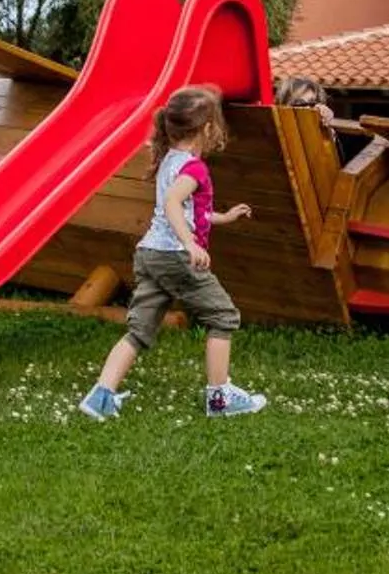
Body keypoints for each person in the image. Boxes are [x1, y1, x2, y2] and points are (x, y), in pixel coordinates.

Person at [78, 86, 267, 419]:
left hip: (150, 254)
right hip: (175, 256)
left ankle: (101, 397)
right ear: (207, 128)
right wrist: (191, 243)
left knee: (139, 330)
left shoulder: (170, 160)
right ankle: (220, 400)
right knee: (224, 317)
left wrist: (222, 217)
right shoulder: (194, 169)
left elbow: (188, 208)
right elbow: (172, 203)